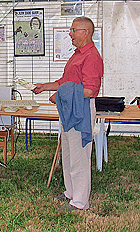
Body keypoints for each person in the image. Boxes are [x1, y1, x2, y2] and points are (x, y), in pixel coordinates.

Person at [33, 16, 103, 211]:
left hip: (80, 110)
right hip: (69, 108)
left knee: (80, 155)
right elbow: (65, 81)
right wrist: (44, 87)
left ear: (86, 32)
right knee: (70, 152)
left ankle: (80, 202)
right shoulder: (77, 54)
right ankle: (70, 193)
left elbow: (90, 90)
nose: (70, 34)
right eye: (70, 30)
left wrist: (61, 94)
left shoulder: (92, 57)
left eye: (73, 30)